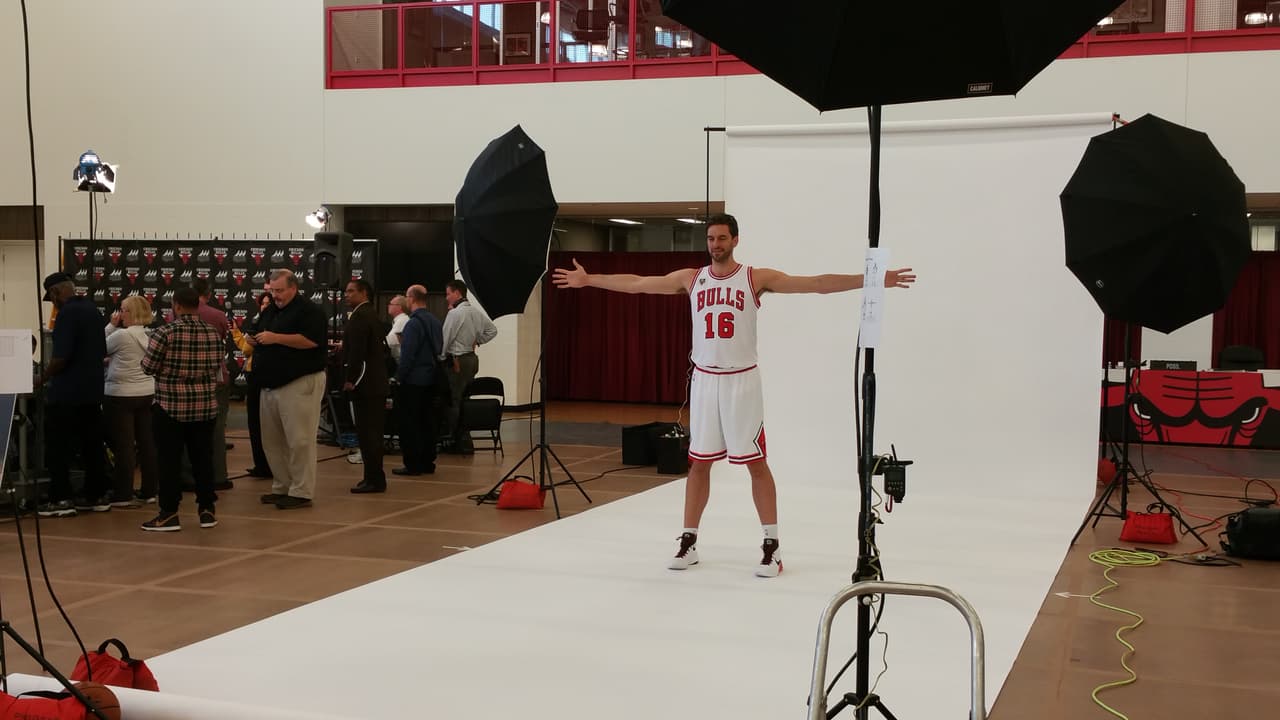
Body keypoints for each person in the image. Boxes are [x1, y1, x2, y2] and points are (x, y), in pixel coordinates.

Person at [552, 213, 916, 577]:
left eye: (722, 238)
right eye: (710, 238)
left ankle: (771, 547)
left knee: (755, 463)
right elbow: (638, 283)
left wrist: (872, 280)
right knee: (699, 463)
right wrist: (589, 280)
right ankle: (689, 540)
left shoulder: (755, 278)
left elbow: (816, 283)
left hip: (741, 382)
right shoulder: (691, 278)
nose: (715, 244)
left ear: (735, 240)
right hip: (706, 382)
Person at [139, 286, 225, 531]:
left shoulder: (164, 332)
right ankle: (207, 509)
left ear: (175, 306)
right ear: (197, 305)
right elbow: (217, 365)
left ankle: (168, 513)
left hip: (170, 406)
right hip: (205, 406)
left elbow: (148, 367)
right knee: (203, 460)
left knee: (169, 462)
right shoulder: (212, 333)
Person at [248, 269, 328, 510]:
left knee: (299, 439)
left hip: (299, 381)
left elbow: (312, 341)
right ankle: (281, 485)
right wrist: (255, 339)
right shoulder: (270, 310)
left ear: (294, 288)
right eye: (272, 291)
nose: (276, 295)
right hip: (269, 383)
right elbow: (262, 332)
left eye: (280, 290)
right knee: (272, 440)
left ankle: (301, 491)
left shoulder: (310, 311)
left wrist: (276, 338)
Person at [36, 272, 110, 517]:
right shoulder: (92, 310)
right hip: (93, 390)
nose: (53, 305)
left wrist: (42, 378)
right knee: (92, 445)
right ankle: (96, 495)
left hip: (67, 393)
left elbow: (60, 357)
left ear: (56, 292)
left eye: (52, 298)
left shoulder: (67, 314)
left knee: (59, 447)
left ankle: (61, 498)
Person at [104, 295, 161, 506]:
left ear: (130, 313)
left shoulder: (121, 335)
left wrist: (111, 325)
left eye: (123, 310)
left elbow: (99, 346)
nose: (120, 314)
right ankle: (149, 491)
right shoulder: (152, 335)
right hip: (147, 393)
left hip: (121, 395)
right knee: (148, 444)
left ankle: (123, 494)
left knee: (124, 446)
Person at [438, 279, 497, 454]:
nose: (447, 297)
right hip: (471, 359)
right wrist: (478, 341)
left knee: (454, 399)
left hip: (457, 360)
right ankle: (465, 437)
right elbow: (492, 330)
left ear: (457, 293)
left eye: (448, 293)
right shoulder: (475, 312)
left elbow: (446, 338)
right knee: (465, 398)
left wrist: (441, 357)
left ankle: (454, 438)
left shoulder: (455, 314)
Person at [342, 279, 390, 493]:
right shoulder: (370, 313)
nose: (346, 295)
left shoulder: (361, 316)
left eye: (351, 291)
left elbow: (358, 354)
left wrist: (351, 379)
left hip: (367, 384)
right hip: (374, 383)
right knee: (370, 434)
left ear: (364, 293)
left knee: (369, 434)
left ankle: (374, 480)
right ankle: (371, 476)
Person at [393, 284, 445, 476]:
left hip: (414, 381)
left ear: (412, 299)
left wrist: (399, 378)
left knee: (410, 423)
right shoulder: (435, 321)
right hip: (431, 379)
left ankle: (413, 464)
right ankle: (427, 461)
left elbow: (408, 355)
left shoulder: (413, 324)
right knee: (427, 422)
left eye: (406, 297)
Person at [230, 291, 274, 478]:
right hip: (253, 375)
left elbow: (249, 347)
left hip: (265, 376)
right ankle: (261, 465)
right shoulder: (258, 322)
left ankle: (266, 466)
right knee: (255, 423)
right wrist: (236, 333)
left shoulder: (271, 324)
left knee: (263, 424)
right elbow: (246, 349)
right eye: (262, 303)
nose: (264, 306)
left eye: (268, 302)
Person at [385, 295, 410, 363]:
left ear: (399, 307)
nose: (388, 306)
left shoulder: (402, 320)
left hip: (402, 362)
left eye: (391, 304)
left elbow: (390, 342)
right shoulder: (401, 320)